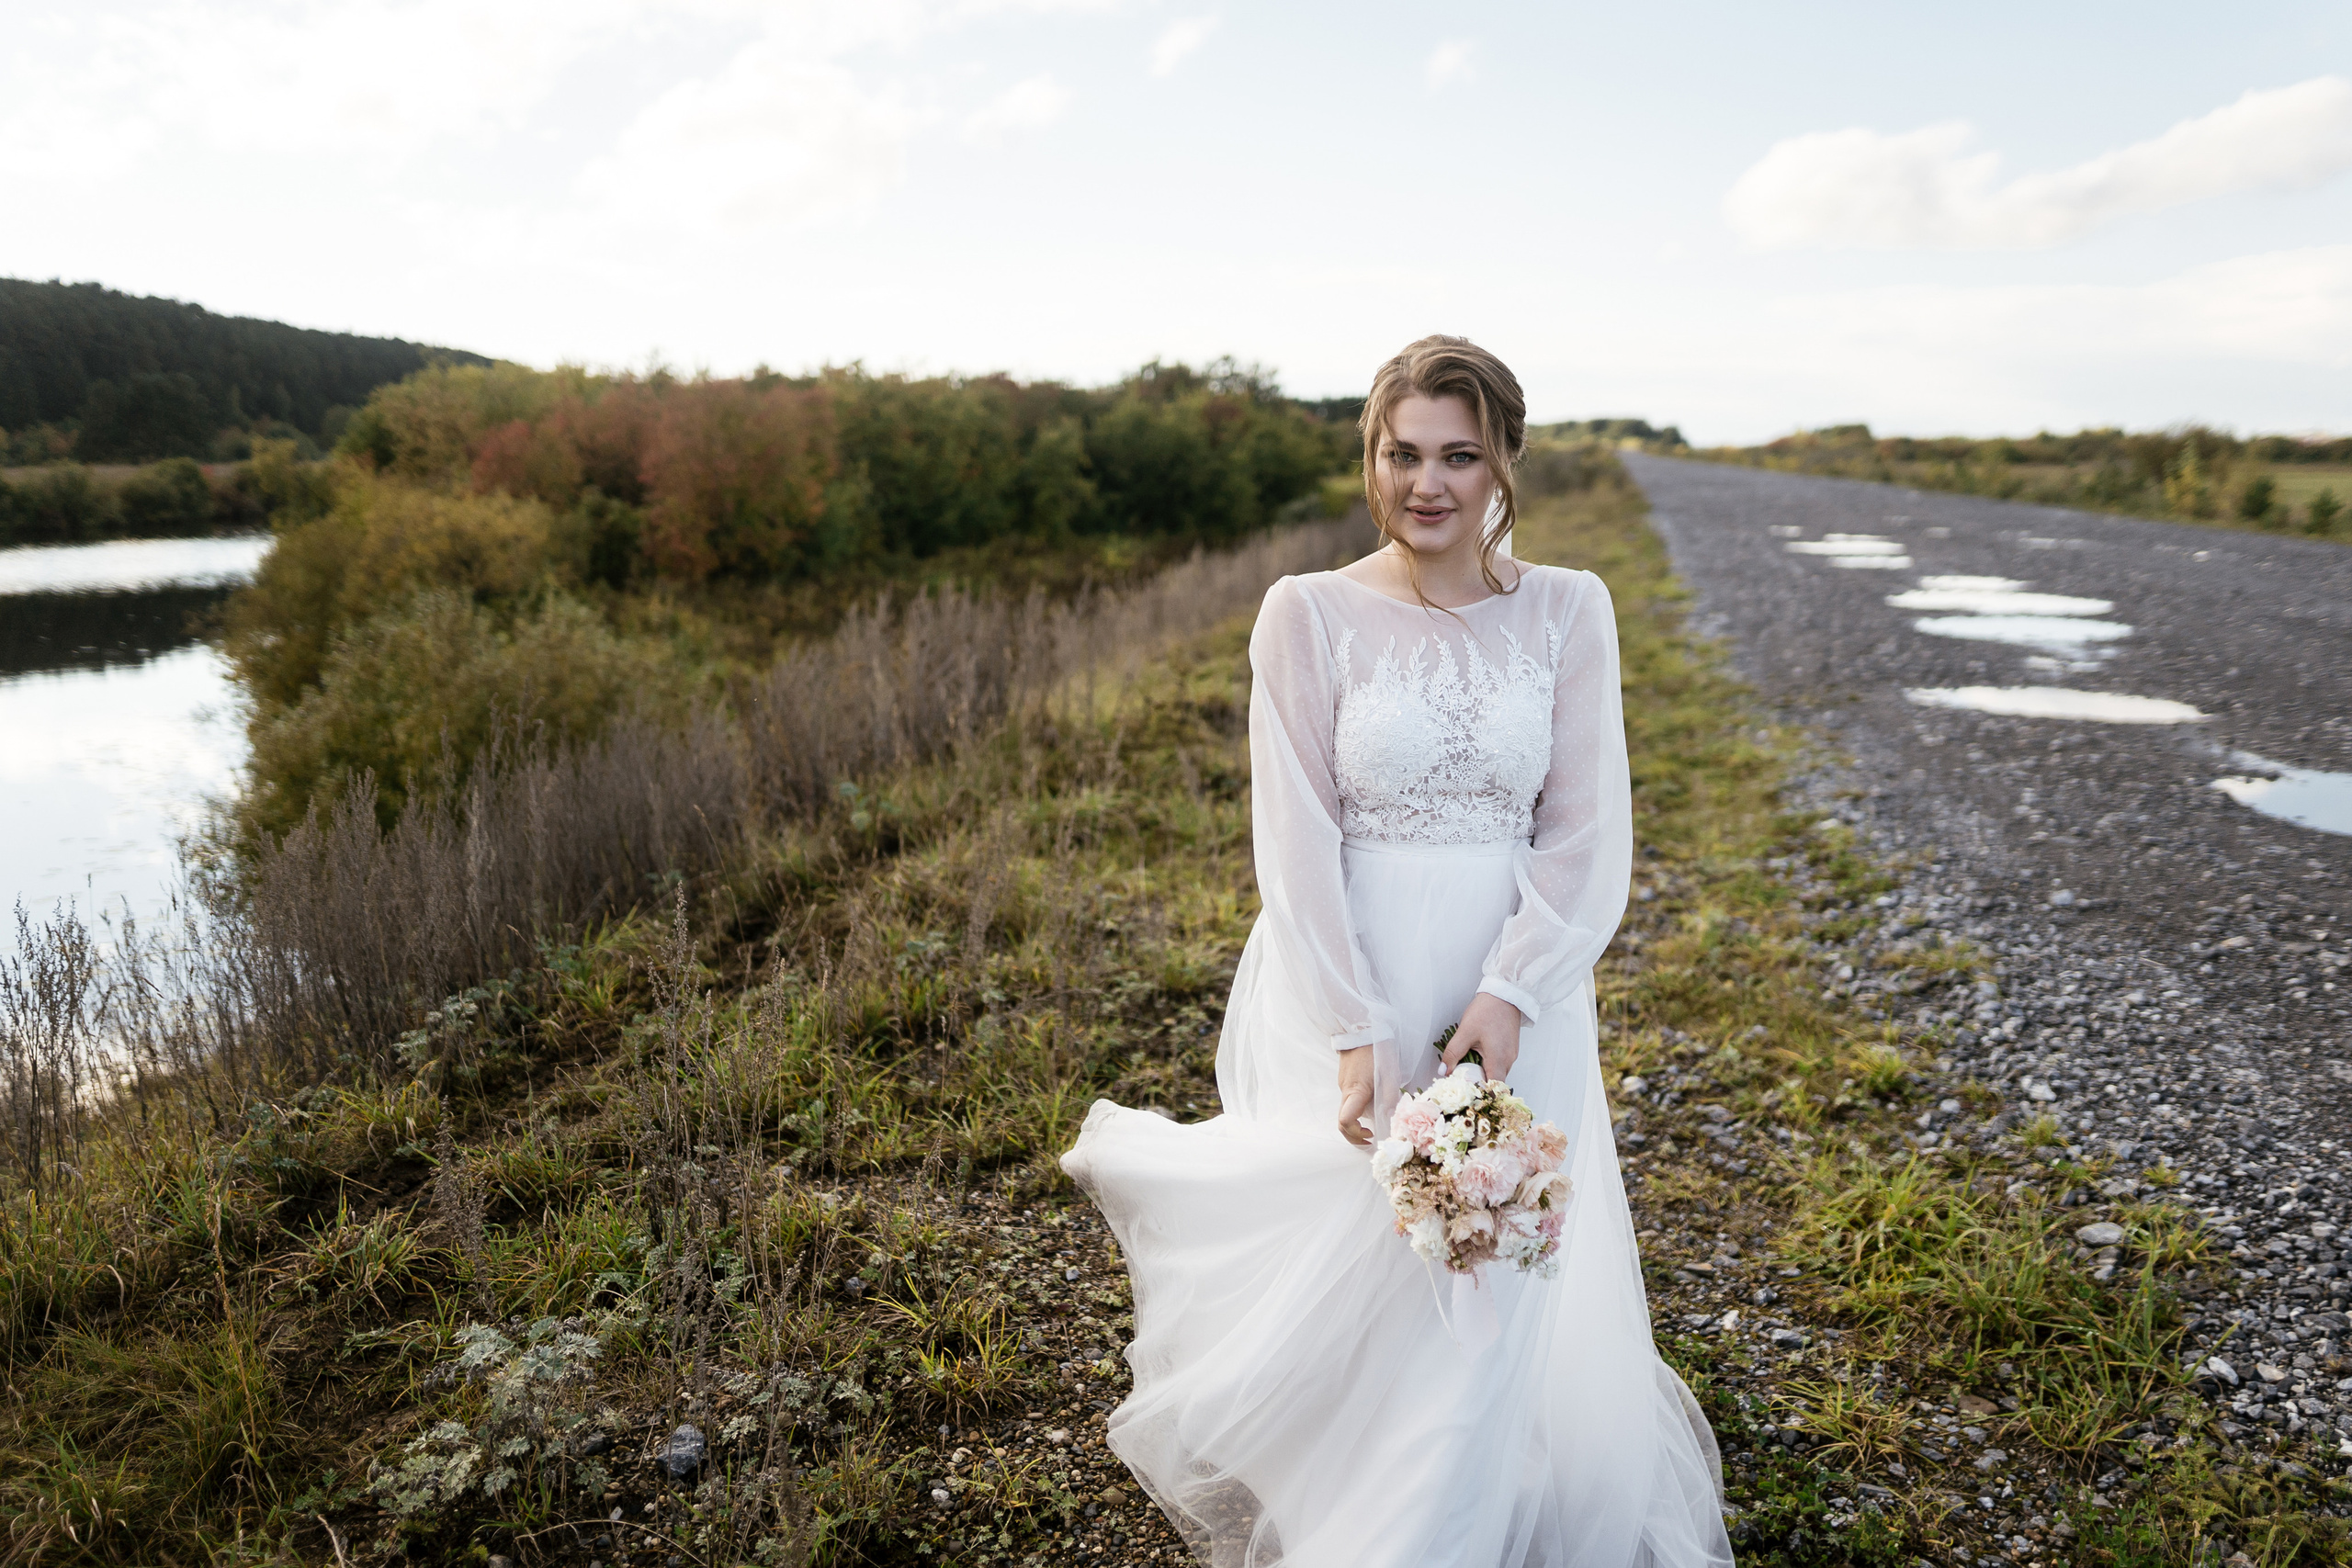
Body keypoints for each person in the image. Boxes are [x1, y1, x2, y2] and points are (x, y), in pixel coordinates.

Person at [1060, 335, 1734, 1567]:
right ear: (1371, 457)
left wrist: (1517, 988)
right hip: (1359, 968)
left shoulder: (1570, 609)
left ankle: (1441, 1534)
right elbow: (1297, 837)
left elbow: (1584, 828)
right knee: (1376, 1267)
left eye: (1459, 456)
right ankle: (1365, 1506)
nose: (1428, 483)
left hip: (1517, 986)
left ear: (1504, 464)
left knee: (1488, 1271)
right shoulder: (1307, 614)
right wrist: (1358, 1027)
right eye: (1403, 453)